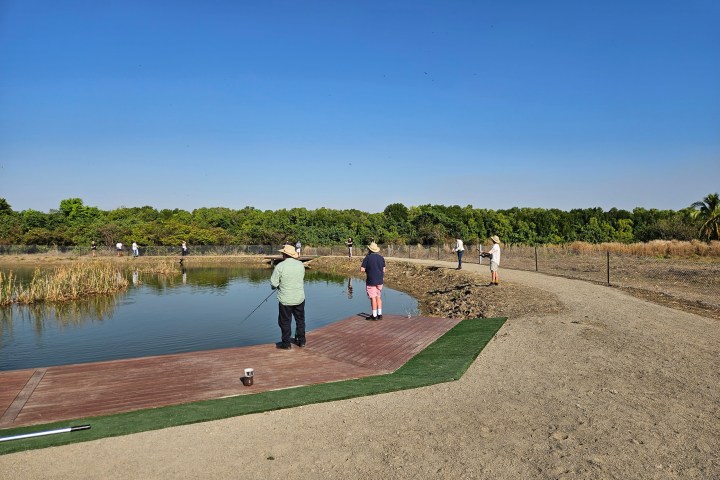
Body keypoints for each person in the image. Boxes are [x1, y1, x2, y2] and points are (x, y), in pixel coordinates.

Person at [270, 244, 306, 349]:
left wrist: (277, 286)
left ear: (284, 254)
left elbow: (273, 284)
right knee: (300, 320)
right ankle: (302, 341)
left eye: (282, 253)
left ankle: (286, 344)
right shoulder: (300, 265)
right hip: (299, 298)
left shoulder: (280, 266)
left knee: (285, 321)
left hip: (285, 300)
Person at [360, 242, 386, 320]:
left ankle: (374, 316)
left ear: (369, 250)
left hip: (371, 280)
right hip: (380, 280)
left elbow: (362, 269)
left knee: (373, 298)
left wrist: (368, 270)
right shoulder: (381, 258)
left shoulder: (367, 258)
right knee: (378, 297)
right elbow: (384, 269)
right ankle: (380, 314)